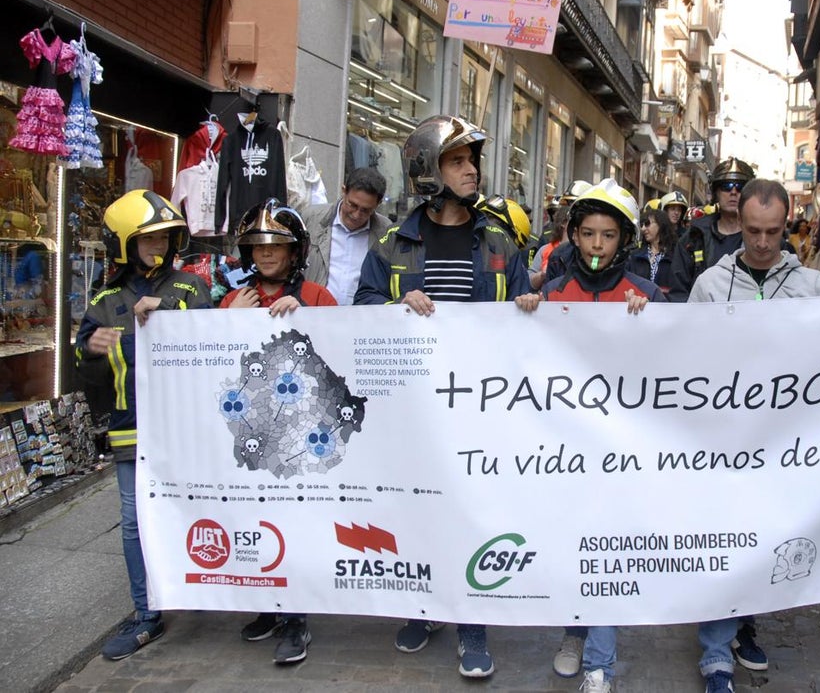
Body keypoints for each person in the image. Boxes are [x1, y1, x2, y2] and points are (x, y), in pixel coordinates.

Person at [354, 114, 528, 678]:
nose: (471, 169)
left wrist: (531, 307)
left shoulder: (501, 240)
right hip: (415, 409)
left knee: (472, 513)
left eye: (472, 158)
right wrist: (394, 307)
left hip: (479, 406)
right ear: (427, 171)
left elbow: (530, 317)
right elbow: (361, 308)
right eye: (457, 160)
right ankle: (424, 605)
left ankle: (472, 623)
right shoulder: (391, 241)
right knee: (419, 507)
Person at [688, 178, 820, 692]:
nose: (763, 242)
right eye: (752, 231)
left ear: (787, 224)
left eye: (773, 231)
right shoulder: (708, 286)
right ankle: (716, 656)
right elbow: (682, 363)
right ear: (737, 224)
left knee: (760, 543)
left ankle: (744, 623)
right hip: (724, 445)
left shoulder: (814, 286)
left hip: (786, 451)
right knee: (723, 540)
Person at [514, 179, 663, 693]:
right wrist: (529, 314)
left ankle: (600, 658)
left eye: (607, 236)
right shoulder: (554, 294)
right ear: (573, 237)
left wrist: (653, 321)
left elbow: (673, 364)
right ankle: (573, 633)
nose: (597, 246)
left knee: (606, 544)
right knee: (573, 542)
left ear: (623, 240)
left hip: (622, 452)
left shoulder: (644, 294)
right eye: (588, 235)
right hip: (567, 450)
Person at [75, 189, 212, 660]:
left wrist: (168, 317)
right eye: (148, 238)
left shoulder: (191, 287)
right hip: (130, 428)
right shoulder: (106, 298)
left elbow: (212, 338)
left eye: (166, 237)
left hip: (185, 428)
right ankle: (145, 614)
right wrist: (91, 347)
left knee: (195, 508)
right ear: (125, 243)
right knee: (134, 521)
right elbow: (81, 356)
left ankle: (204, 588)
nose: (159, 245)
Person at [221, 199, 334, 661]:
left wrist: (305, 312)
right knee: (256, 524)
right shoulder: (233, 300)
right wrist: (231, 321)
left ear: (295, 251)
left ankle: (297, 620)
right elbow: (213, 364)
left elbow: (337, 361)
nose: (266, 254)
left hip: (298, 436)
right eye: (258, 246)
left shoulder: (317, 296)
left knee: (296, 526)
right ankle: (269, 605)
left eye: (277, 246)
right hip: (248, 432)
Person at [668, 157, 756, 302]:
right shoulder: (693, 239)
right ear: (716, 192)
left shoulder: (761, 237)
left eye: (740, 186)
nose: (733, 192)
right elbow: (678, 293)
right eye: (726, 186)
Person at [300, 166, 389, 305]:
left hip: (361, 318)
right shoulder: (311, 219)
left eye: (366, 210)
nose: (356, 215)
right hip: (313, 313)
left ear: (378, 204)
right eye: (352, 205)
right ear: (344, 191)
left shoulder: (385, 231)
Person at [627, 206, 676, 295]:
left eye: (647, 223)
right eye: (641, 225)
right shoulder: (635, 256)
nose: (643, 228)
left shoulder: (676, 255)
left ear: (661, 224)